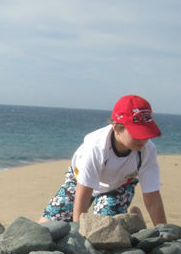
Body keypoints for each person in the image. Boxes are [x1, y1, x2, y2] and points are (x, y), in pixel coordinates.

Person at [40, 94, 167, 226]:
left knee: (105, 227)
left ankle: (135, 220)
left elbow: (153, 197)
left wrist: (164, 231)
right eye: (137, 134)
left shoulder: (147, 150)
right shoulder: (96, 147)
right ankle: (131, 219)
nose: (143, 139)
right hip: (79, 183)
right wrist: (78, 235)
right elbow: (83, 196)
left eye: (146, 133)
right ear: (117, 127)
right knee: (46, 227)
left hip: (119, 187)